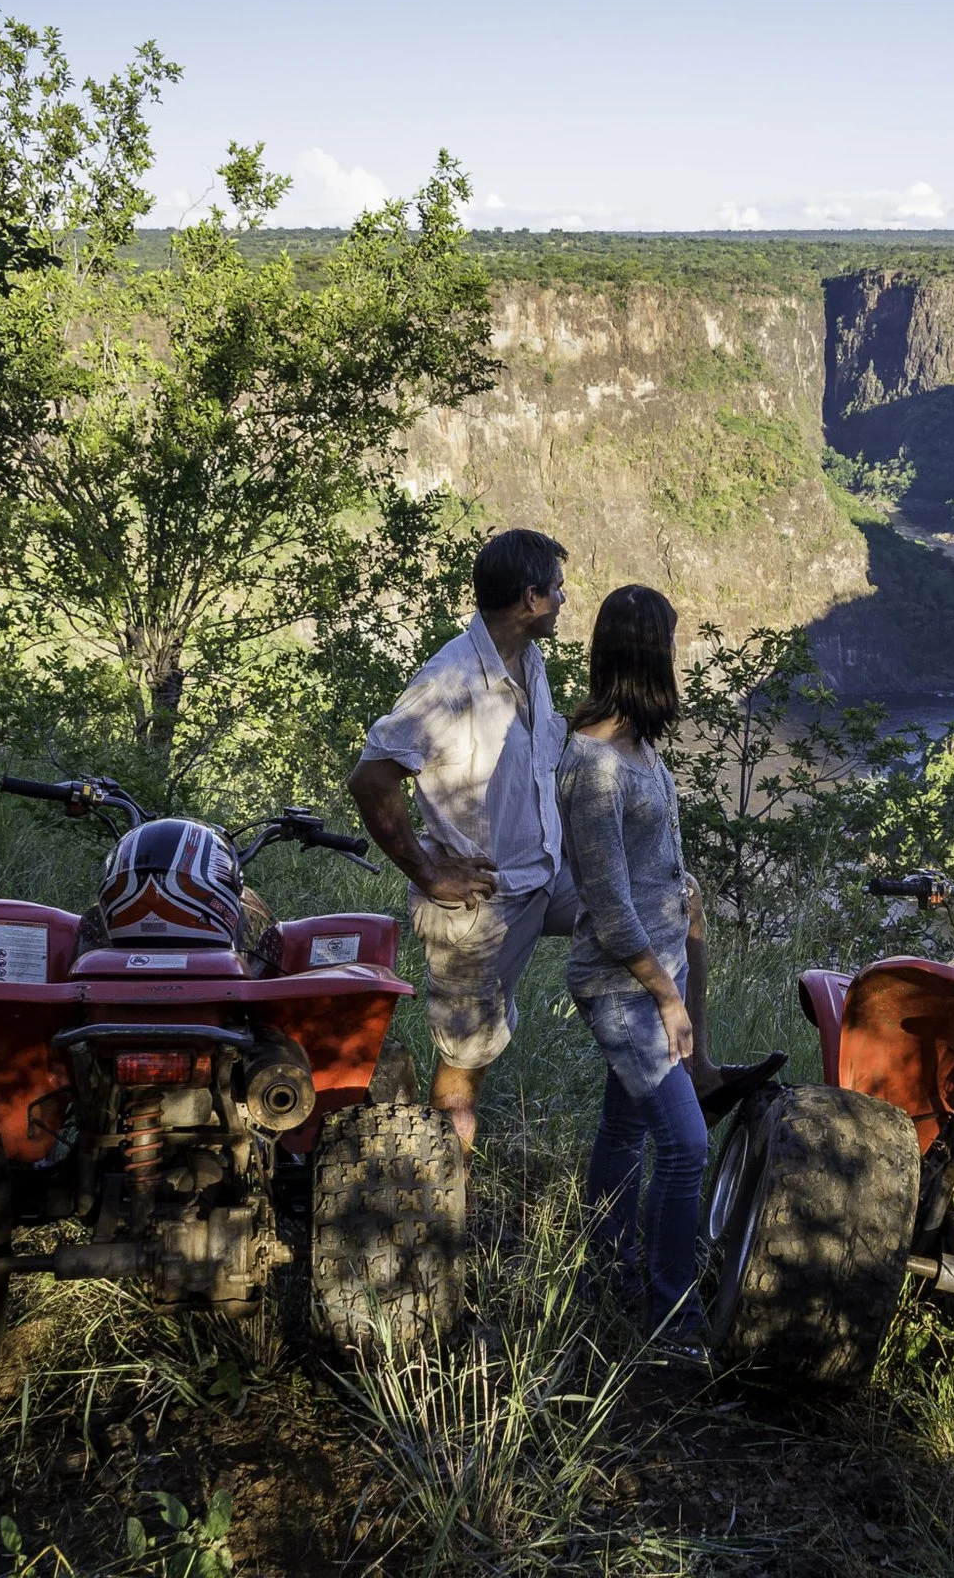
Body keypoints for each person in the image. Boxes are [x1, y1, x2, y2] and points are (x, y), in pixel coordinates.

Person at [348, 529, 577, 1149]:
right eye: (556, 589)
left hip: (544, 878)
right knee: (462, 1067)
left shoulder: (527, 660)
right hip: (481, 905)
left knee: (661, 900)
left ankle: (687, 1073)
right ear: (530, 599)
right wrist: (428, 872)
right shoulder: (448, 684)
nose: (564, 598)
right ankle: (444, 1201)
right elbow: (371, 779)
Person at [557, 585, 712, 1359]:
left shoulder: (636, 747)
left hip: (654, 973)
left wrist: (683, 890)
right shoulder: (593, 763)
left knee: (623, 1130)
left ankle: (606, 1270)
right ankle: (672, 1318)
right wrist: (669, 998)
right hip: (624, 987)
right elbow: (608, 908)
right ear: (648, 656)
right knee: (686, 1146)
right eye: (670, 647)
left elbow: (644, 868)